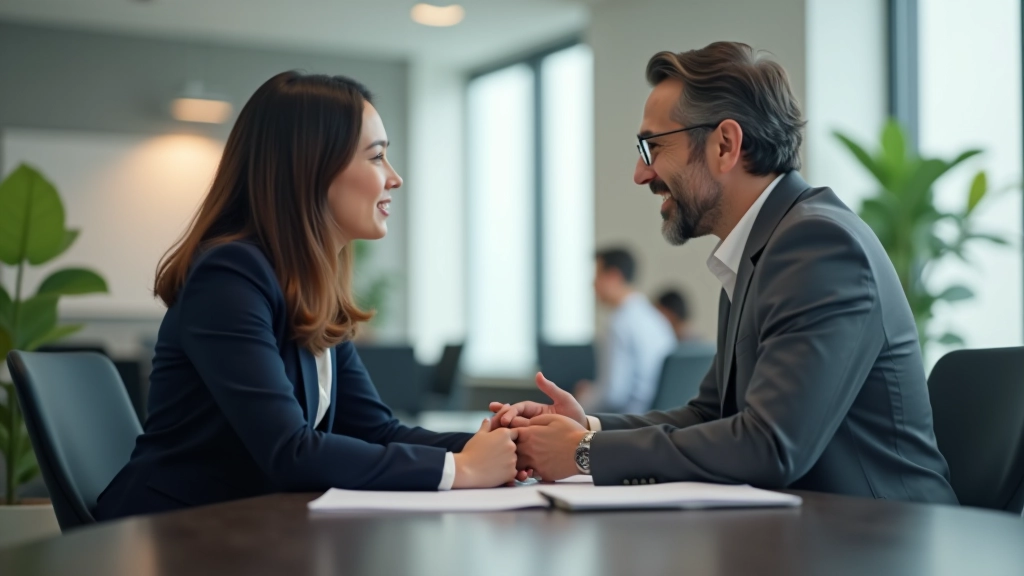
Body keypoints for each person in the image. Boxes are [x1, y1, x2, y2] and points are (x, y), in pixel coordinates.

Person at [491, 42, 957, 504]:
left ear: (725, 145)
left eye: (651, 146)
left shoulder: (819, 247)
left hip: (886, 540)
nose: (640, 173)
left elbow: (771, 445)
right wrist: (586, 427)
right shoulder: (762, 247)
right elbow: (711, 414)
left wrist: (586, 452)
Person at [95, 72, 521, 520]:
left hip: (249, 529)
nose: (394, 179)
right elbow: (289, 451)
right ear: (312, 169)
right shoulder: (229, 277)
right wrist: (461, 468)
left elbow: (376, 430)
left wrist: (497, 443)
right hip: (170, 535)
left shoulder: (306, 285)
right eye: (377, 158)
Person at [573, 248, 677, 414]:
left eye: (597, 275)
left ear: (613, 276)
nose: (592, 284)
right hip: (659, 422)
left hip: (628, 426)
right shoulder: (657, 318)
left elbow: (613, 395)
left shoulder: (619, 323)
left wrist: (580, 402)